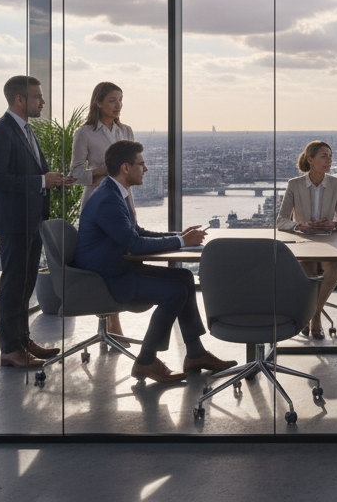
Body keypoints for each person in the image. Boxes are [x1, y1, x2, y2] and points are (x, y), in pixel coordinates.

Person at [73, 140, 237, 383]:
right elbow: (135, 244)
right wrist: (181, 242)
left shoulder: (115, 191)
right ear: (125, 168)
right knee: (174, 293)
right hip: (105, 279)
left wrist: (179, 236)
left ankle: (196, 354)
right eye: (141, 164)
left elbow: (137, 232)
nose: (146, 168)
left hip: (117, 269)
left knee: (184, 277)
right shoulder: (108, 199)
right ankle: (145, 361)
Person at [0, 75, 73, 369]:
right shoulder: (0, 132)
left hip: (31, 219)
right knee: (13, 286)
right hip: (13, 222)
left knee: (25, 284)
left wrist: (51, 181)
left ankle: (23, 341)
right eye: (37, 97)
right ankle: (10, 350)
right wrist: (40, 181)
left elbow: (33, 172)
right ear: (19, 99)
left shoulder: (25, 130)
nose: (43, 102)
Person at [68, 81, 136, 341]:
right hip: (97, 202)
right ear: (98, 103)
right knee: (105, 259)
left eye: (120, 100)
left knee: (122, 256)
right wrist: (104, 170)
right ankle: (113, 323)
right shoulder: (84, 134)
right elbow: (75, 174)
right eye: (112, 100)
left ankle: (114, 321)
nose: (118, 105)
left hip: (124, 199)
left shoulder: (126, 131)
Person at [277, 140, 337, 339]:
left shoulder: (336, 184)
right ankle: (315, 316)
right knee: (307, 270)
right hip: (304, 243)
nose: (329, 160)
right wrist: (299, 226)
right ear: (310, 160)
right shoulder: (294, 185)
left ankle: (313, 315)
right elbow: (281, 220)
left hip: (328, 243)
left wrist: (333, 225)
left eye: (330, 156)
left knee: (334, 266)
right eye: (324, 156)